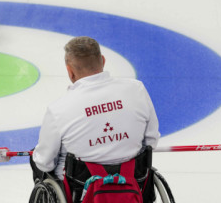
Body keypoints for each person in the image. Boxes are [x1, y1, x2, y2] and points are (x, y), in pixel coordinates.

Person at [31, 36, 160, 182]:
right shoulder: (136, 89)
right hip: (133, 179)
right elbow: (151, 141)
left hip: (81, 187)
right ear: (103, 61)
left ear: (70, 71)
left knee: (38, 160)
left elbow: (45, 163)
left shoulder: (59, 109)